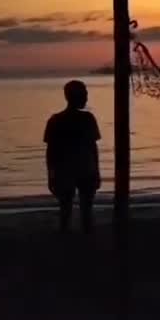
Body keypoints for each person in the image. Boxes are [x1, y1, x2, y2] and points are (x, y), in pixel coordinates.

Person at [44, 80, 101, 233]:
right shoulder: (87, 118)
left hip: (67, 170)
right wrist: (97, 171)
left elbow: (51, 152)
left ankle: (67, 240)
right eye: (84, 95)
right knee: (85, 212)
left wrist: (51, 175)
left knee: (66, 211)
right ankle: (85, 240)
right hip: (84, 169)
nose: (87, 98)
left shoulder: (55, 120)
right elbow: (92, 148)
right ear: (77, 97)